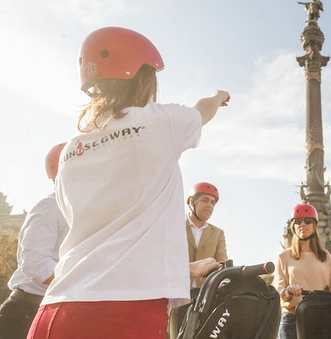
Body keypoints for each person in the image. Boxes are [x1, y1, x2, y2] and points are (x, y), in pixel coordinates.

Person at [27, 27, 227, 339]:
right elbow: (203, 110)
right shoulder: (158, 121)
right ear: (143, 77)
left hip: (55, 311)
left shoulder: (70, 150)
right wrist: (218, 96)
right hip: (124, 313)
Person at [0, 143, 69, 339]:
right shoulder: (51, 206)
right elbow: (35, 264)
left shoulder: (76, 210)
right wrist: (80, 281)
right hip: (25, 312)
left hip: (49, 308)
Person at [273, 203, 331, 339]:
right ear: (293, 226)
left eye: (308, 221)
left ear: (314, 225)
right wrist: (287, 291)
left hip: (321, 317)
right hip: (292, 318)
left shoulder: (326, 256)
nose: (303, 224)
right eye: (298, 221)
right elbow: (278, 287)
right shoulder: (283, 256)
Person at [167, 182, 228, 338]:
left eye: (213, 202)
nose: (210, 205)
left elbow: (223, 265)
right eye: (205, 200)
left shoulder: (218, 233)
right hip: (173, 297)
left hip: (204, 301)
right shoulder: (174, 226)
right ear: (191, 202)